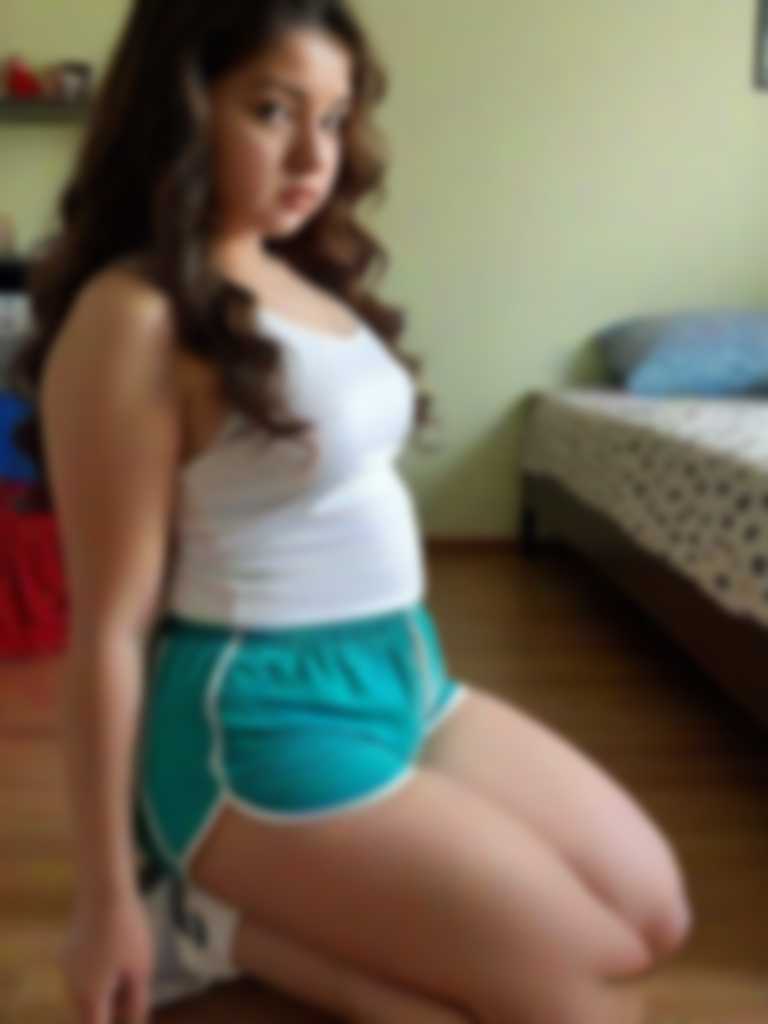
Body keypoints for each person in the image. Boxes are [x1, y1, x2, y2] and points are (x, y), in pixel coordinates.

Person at [13, 1, 700, 1021]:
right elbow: (108, 630)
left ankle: (228, 915)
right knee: (584, 998)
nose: (313, 155)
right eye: (272, 110)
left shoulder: (295, 273)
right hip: (255, 718)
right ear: (182, 111)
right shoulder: (136, 315)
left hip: (403, 669)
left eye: (332, 119)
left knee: (653, 920)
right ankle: (203, 918)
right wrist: (103, 896)